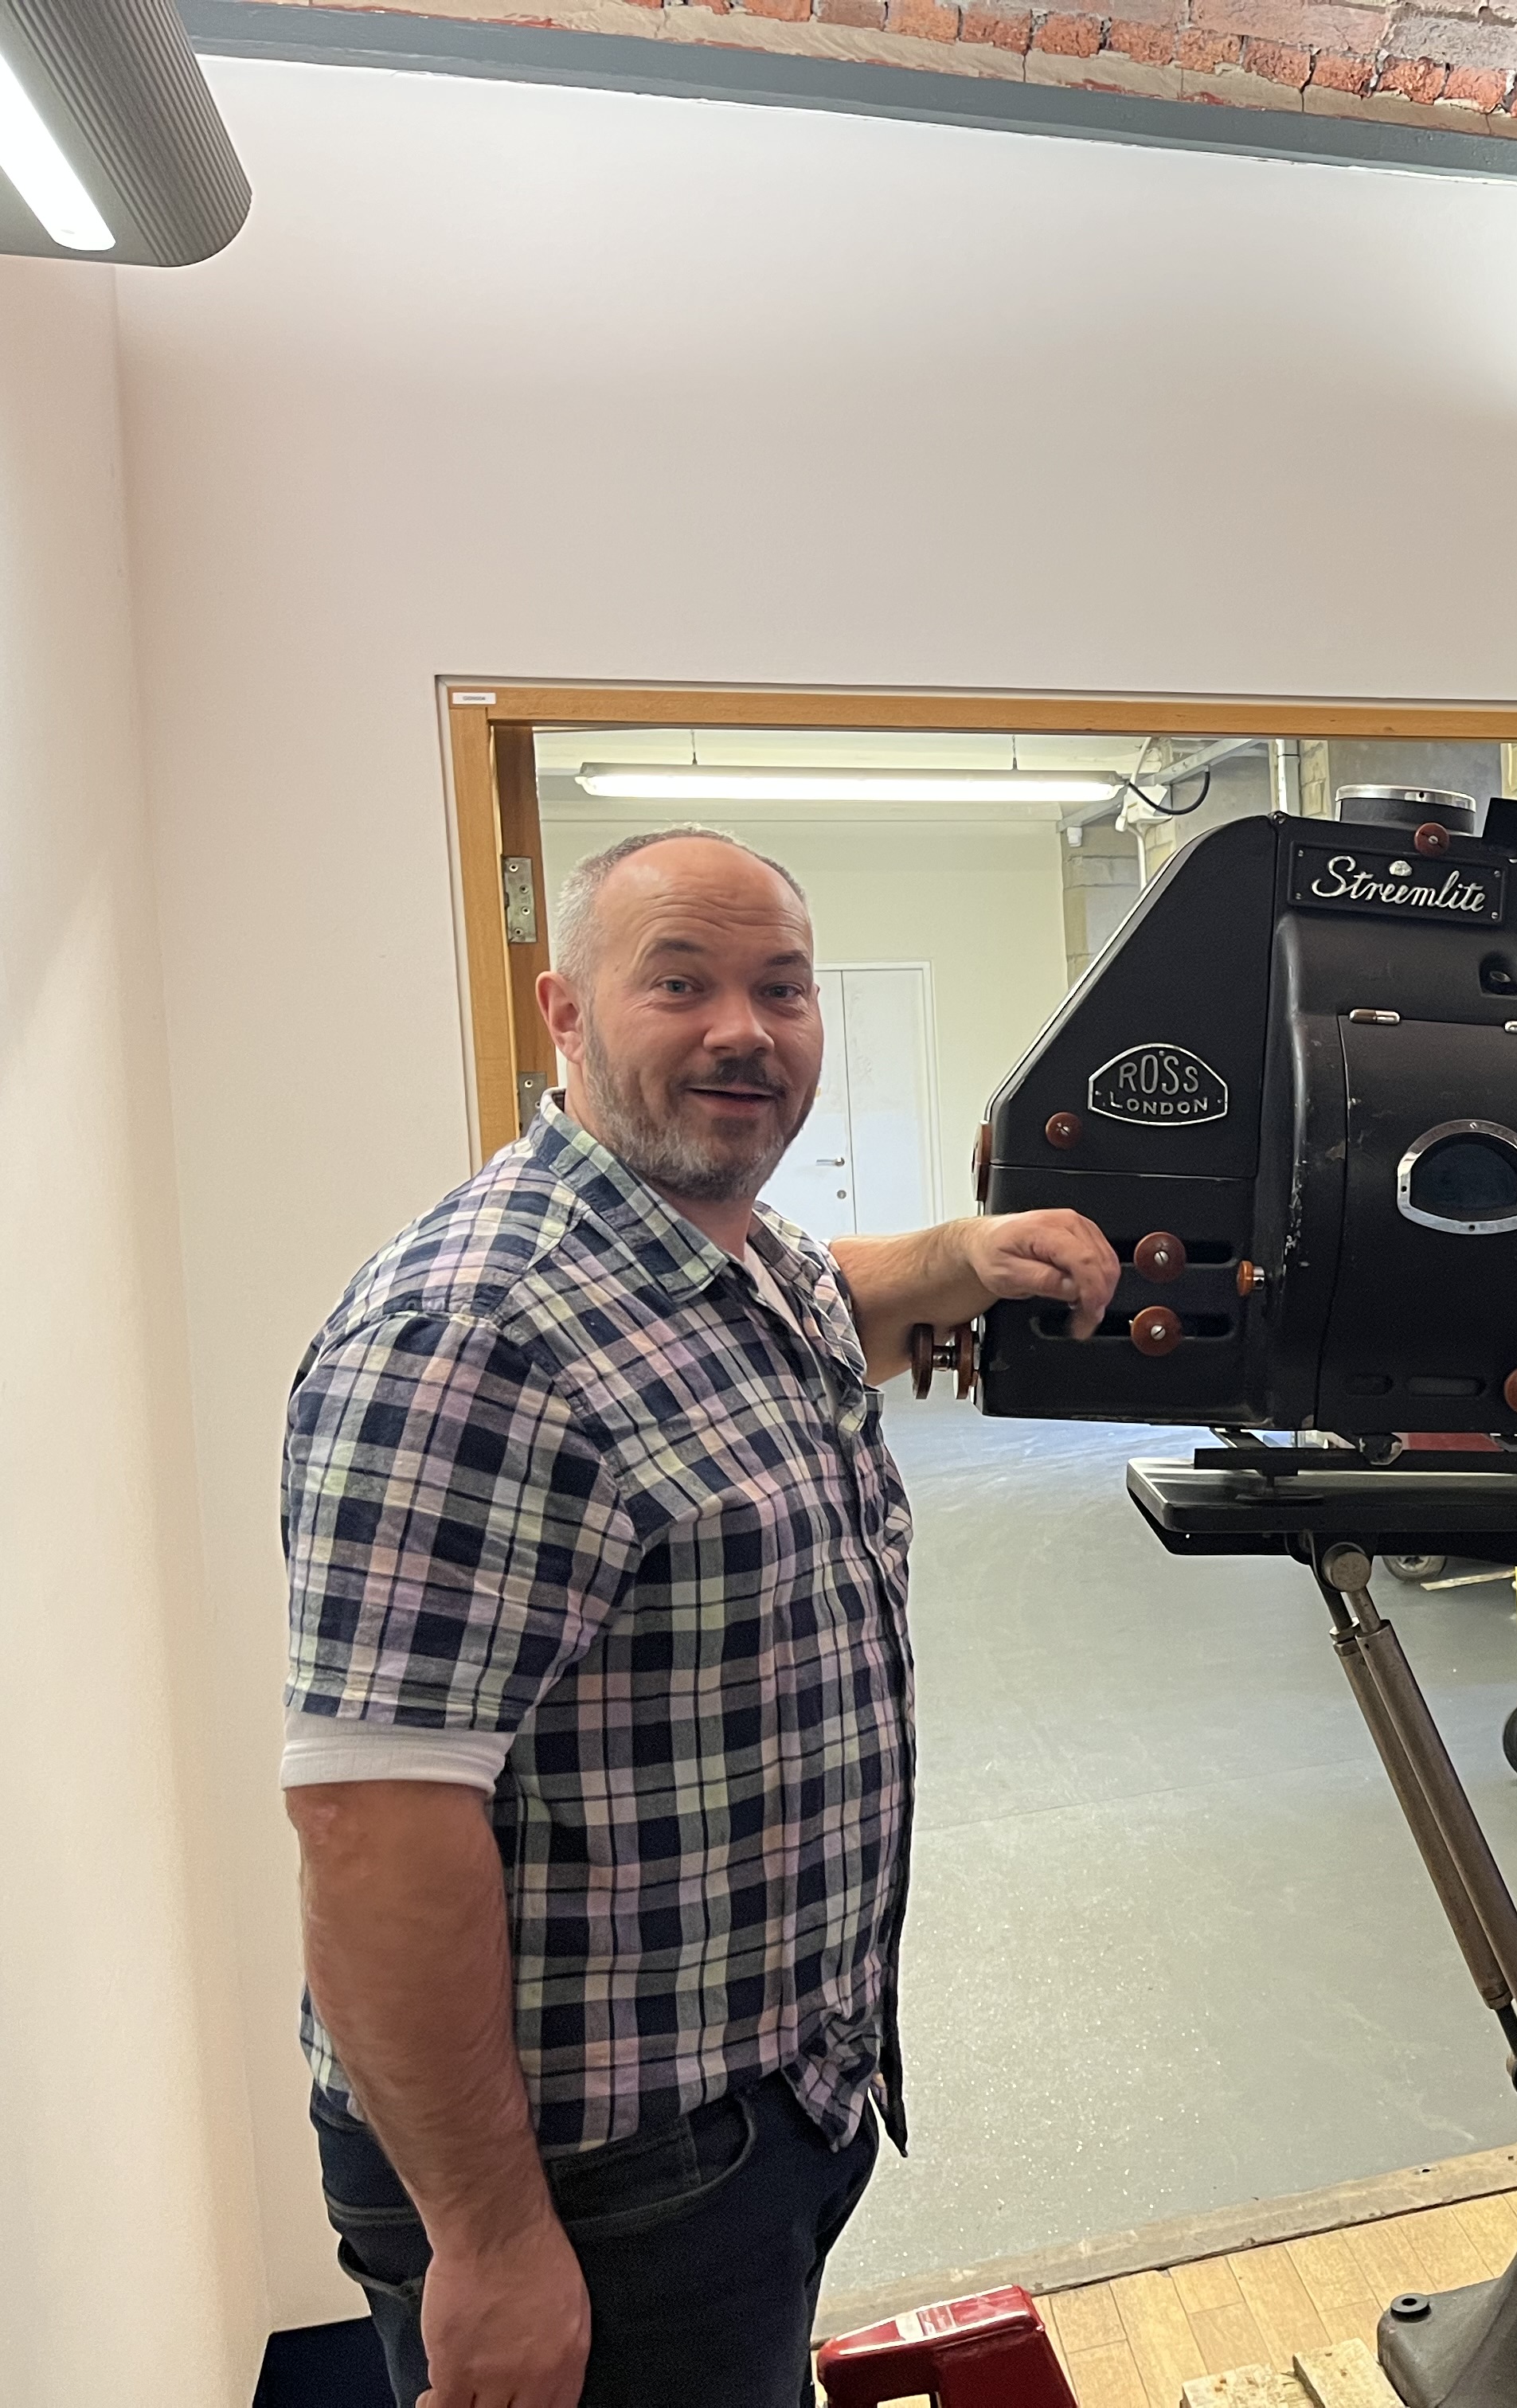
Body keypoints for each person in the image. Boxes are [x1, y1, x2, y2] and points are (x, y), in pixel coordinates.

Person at [280, 828, 1119, 2408]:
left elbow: (827, 1303)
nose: (747, 1028)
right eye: (683, 983)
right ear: (569, 1017)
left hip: (754, 2109)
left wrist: (959, 1255)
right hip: (590, 2176)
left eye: (782, 990)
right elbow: (370, 1823)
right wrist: (493, 2241)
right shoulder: (476, 1339)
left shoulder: (729, 1255)